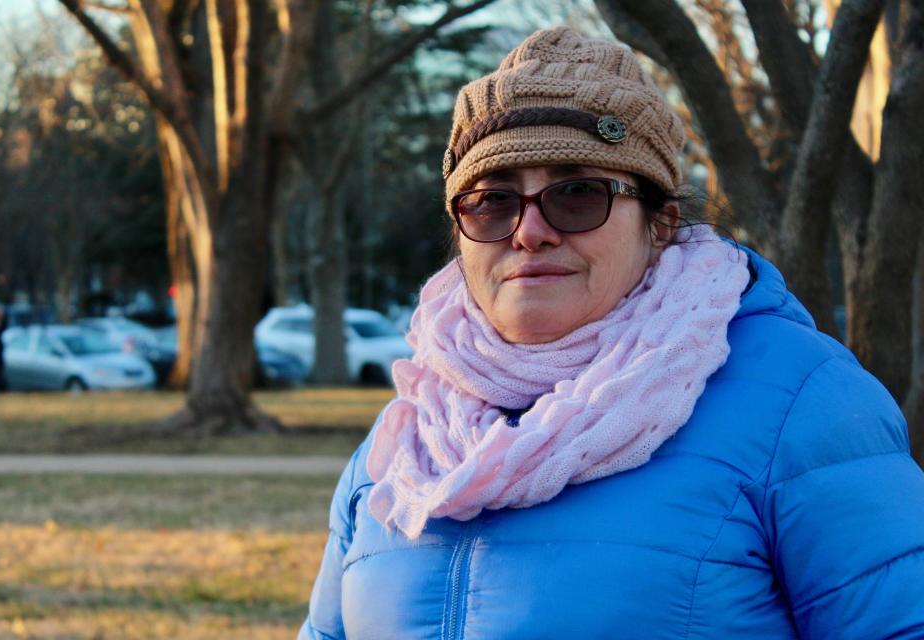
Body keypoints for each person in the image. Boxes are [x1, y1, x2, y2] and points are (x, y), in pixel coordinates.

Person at [300, 27, 924, 639]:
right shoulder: (411, 430)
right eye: (491, 201)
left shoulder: (803, 403)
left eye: (576, 194)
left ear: (660, 223)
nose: (529, 231)